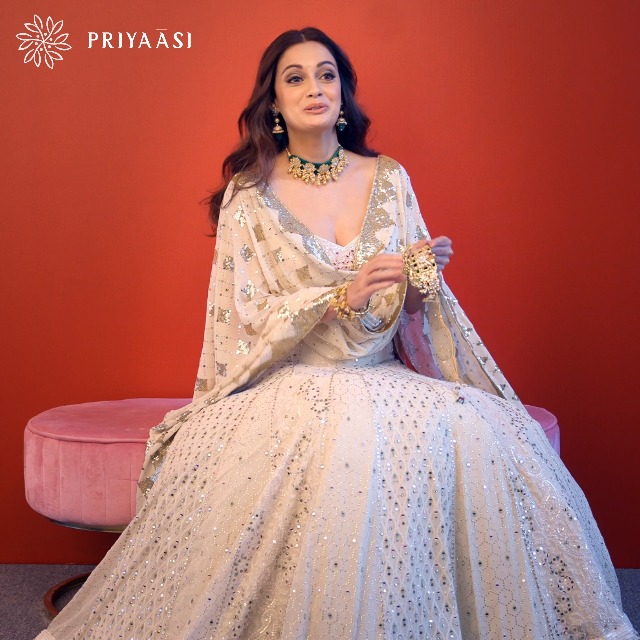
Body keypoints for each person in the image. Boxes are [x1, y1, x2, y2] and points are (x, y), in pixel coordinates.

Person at [37, 27, 637, 640]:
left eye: (326, 75)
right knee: (330, 447)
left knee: (485, 429)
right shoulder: (250, 195)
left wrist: (421, 276)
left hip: (384, 375)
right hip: (294, 381)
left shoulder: (389, 178)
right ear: (273, 101)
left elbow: (410, 314)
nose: (314, 88)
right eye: (295, 78)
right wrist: (336, 298)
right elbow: (246, 317)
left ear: (343, 93)